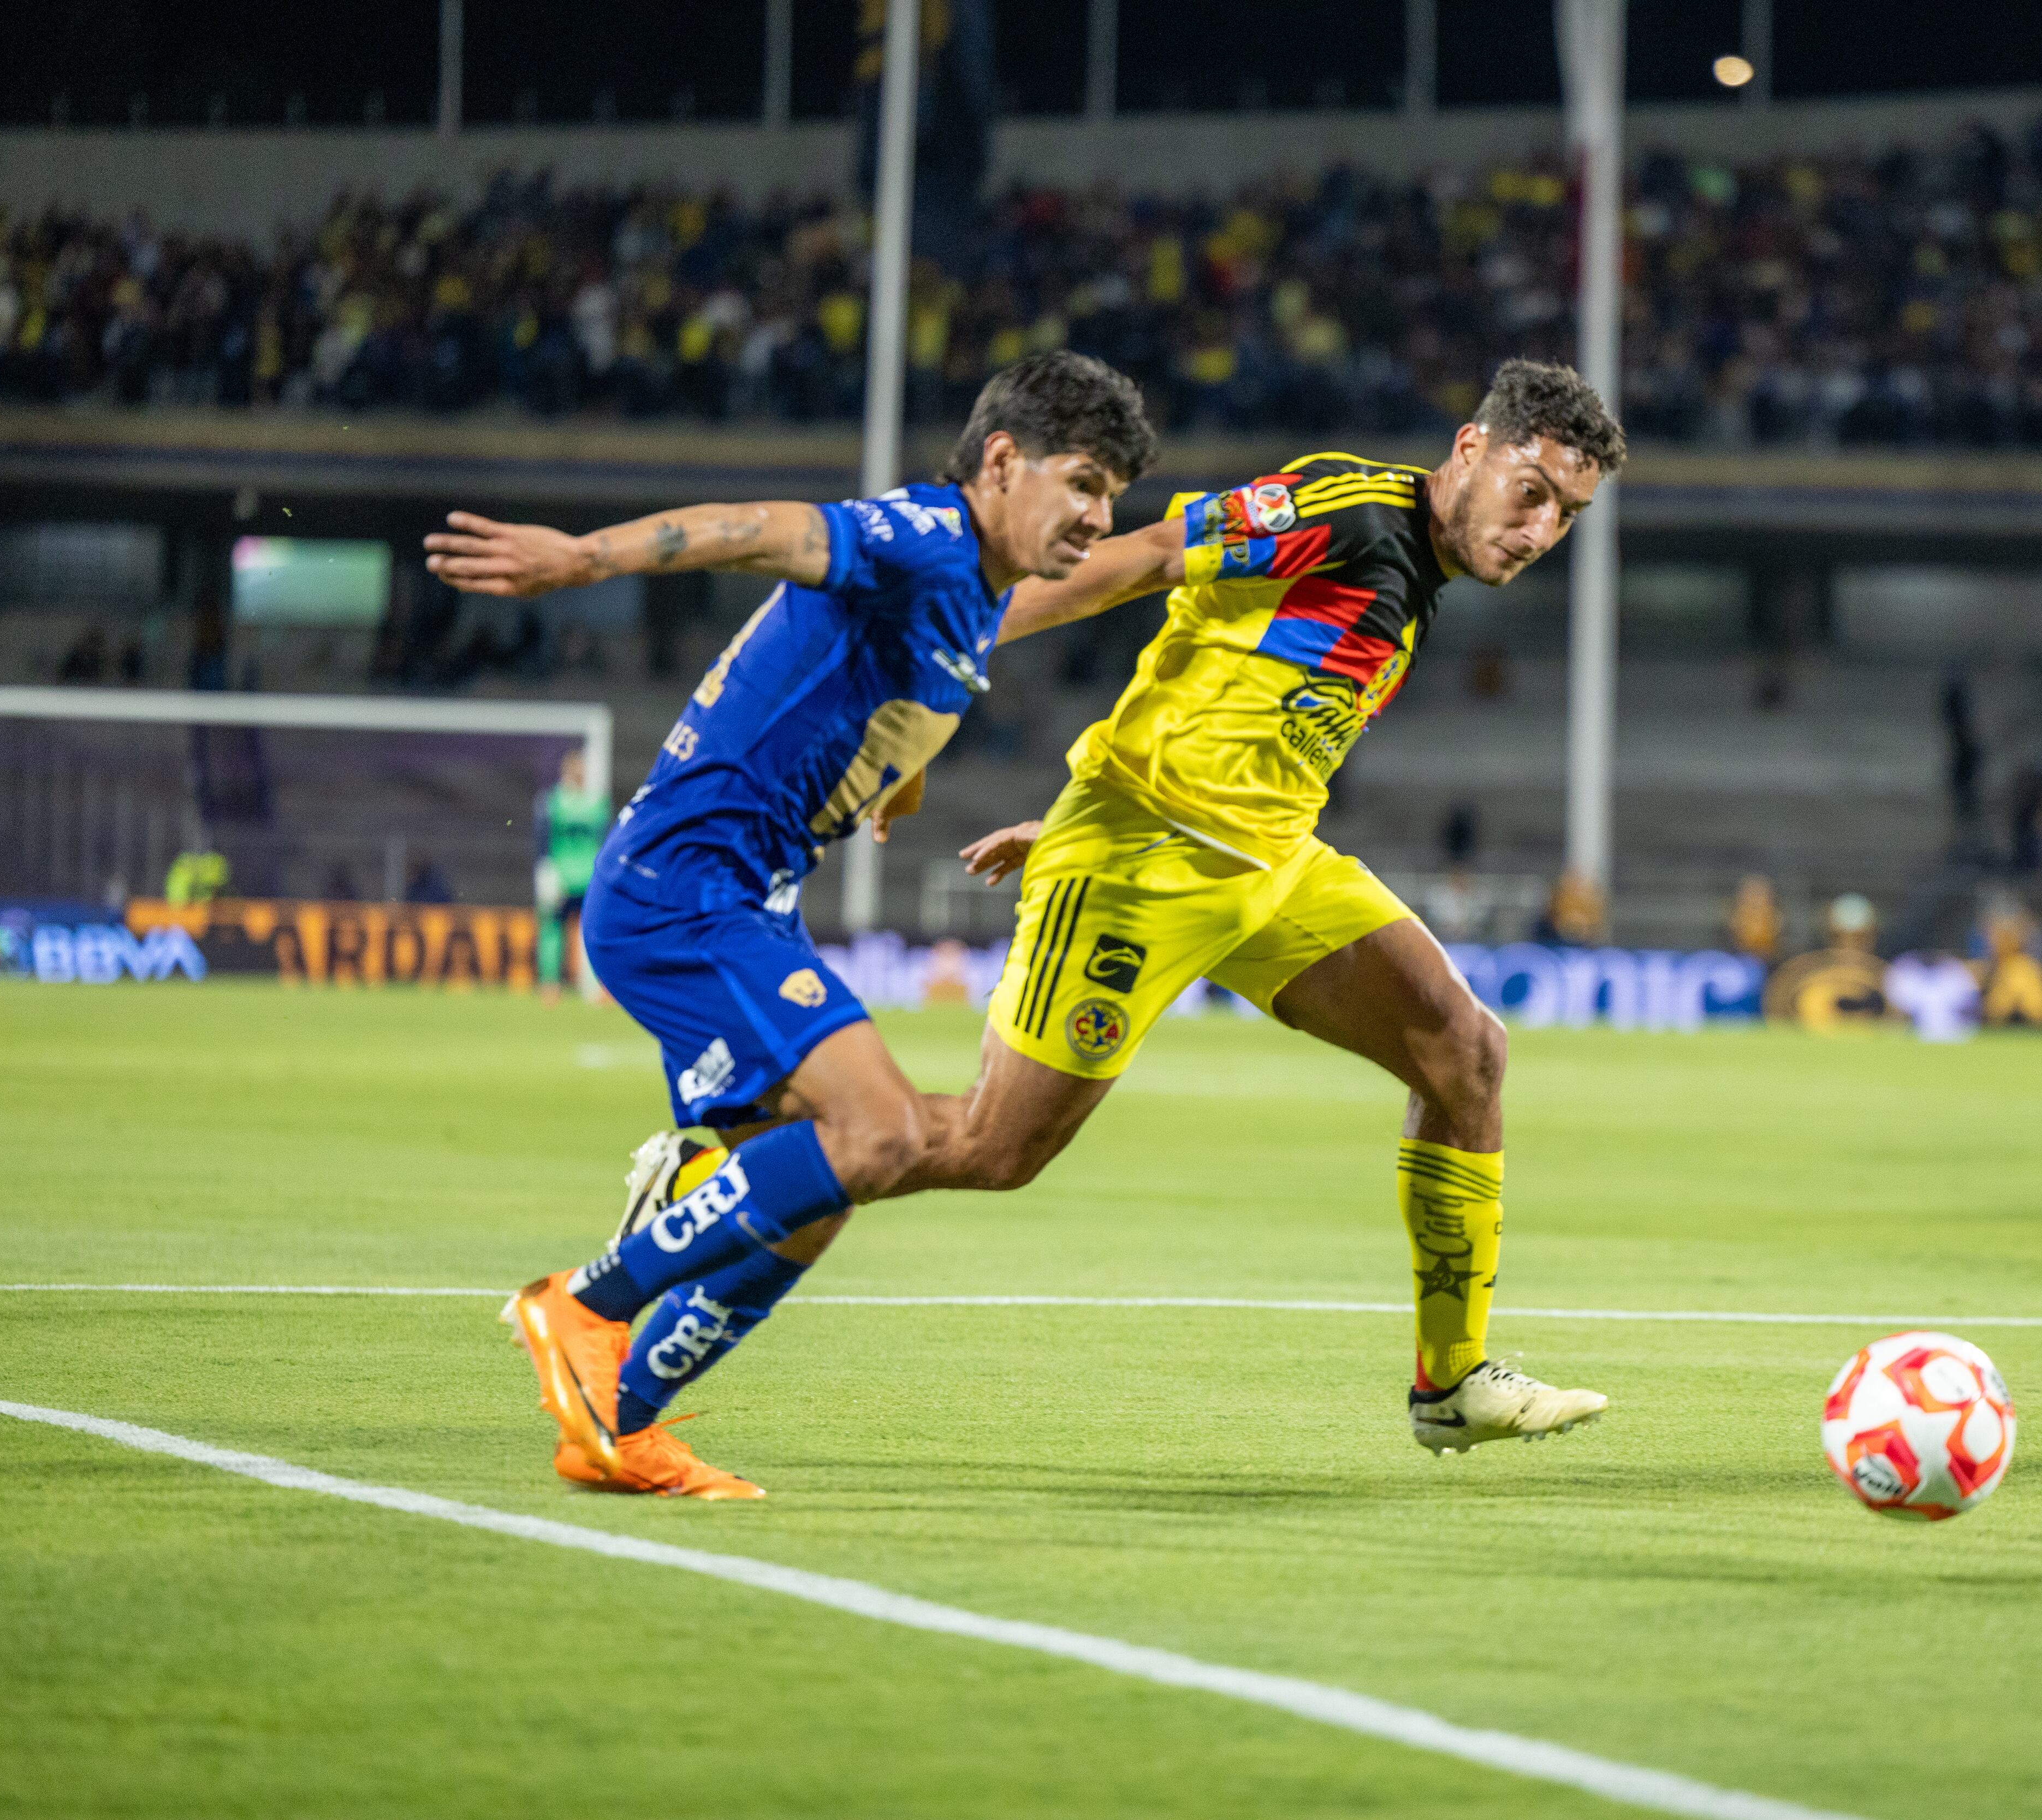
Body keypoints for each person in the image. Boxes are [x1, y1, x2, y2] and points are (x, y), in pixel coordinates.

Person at [621, 359, 1627, 1460]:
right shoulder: (1343, 509)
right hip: (1145, 858)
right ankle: (708, 1187)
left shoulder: (1416, 572)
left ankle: (1452, 1380)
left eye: (1568, 515)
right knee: (997, 1146)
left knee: (1465, 1051)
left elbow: (1226, 702)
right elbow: (1143, 559)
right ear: (1471, 449)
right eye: (1533, 492)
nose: (1542, 530)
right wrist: (937, 668)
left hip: (1270, 862)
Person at [420, 350, 1156, 1498]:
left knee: (815, 1196)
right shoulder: (921, 538)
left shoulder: (975, 591)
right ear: (1003, 461)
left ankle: (616, 1423)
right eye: (1085, 483)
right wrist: (582, 560)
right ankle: (586, 1303)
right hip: (685, 891)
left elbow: (913, 681)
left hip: (742, 898)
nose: (1098, 516)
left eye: (1112, 494)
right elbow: (761, 530)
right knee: (883, 1133)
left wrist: (887, 783)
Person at [533, 746, 609, 1003]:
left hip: (576, 875)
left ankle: (578, 987)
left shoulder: (555, 802)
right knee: (566, 929)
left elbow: (541, 840)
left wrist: (545, 869)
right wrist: (546, 870)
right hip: (573, 876)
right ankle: (558, 986)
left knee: (566, 930)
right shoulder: (592, 803)